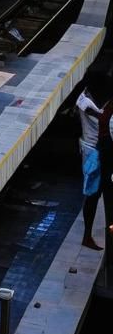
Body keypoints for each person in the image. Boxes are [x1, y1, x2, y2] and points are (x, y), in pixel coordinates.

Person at [77, 75, 105, 251]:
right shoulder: (100, 113)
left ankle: (87, 235)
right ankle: (87, 236)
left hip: (89, 149)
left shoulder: (82, 99)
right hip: (96, 152)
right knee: (94, 194)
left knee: (92, 195)